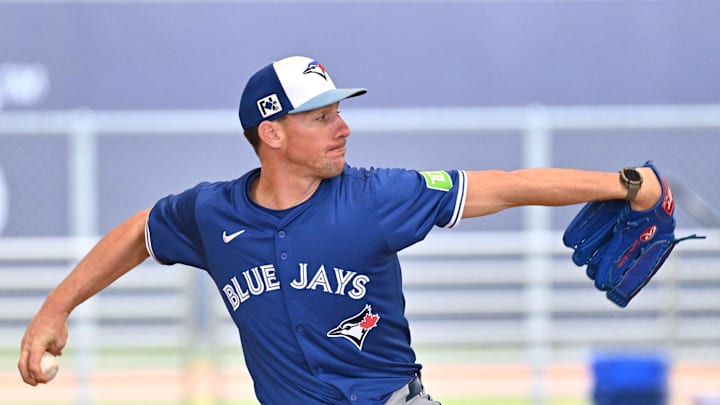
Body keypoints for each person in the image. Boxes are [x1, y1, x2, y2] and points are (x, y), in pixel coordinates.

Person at [18, 55, 663, 405]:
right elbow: (140, 232)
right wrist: (57, 306)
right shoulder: (211, 214)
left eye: (338, 113)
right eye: (321, 117)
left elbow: (504, 184)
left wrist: (623, 184)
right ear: (272, 134)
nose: (343, 128)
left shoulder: (377, 196)